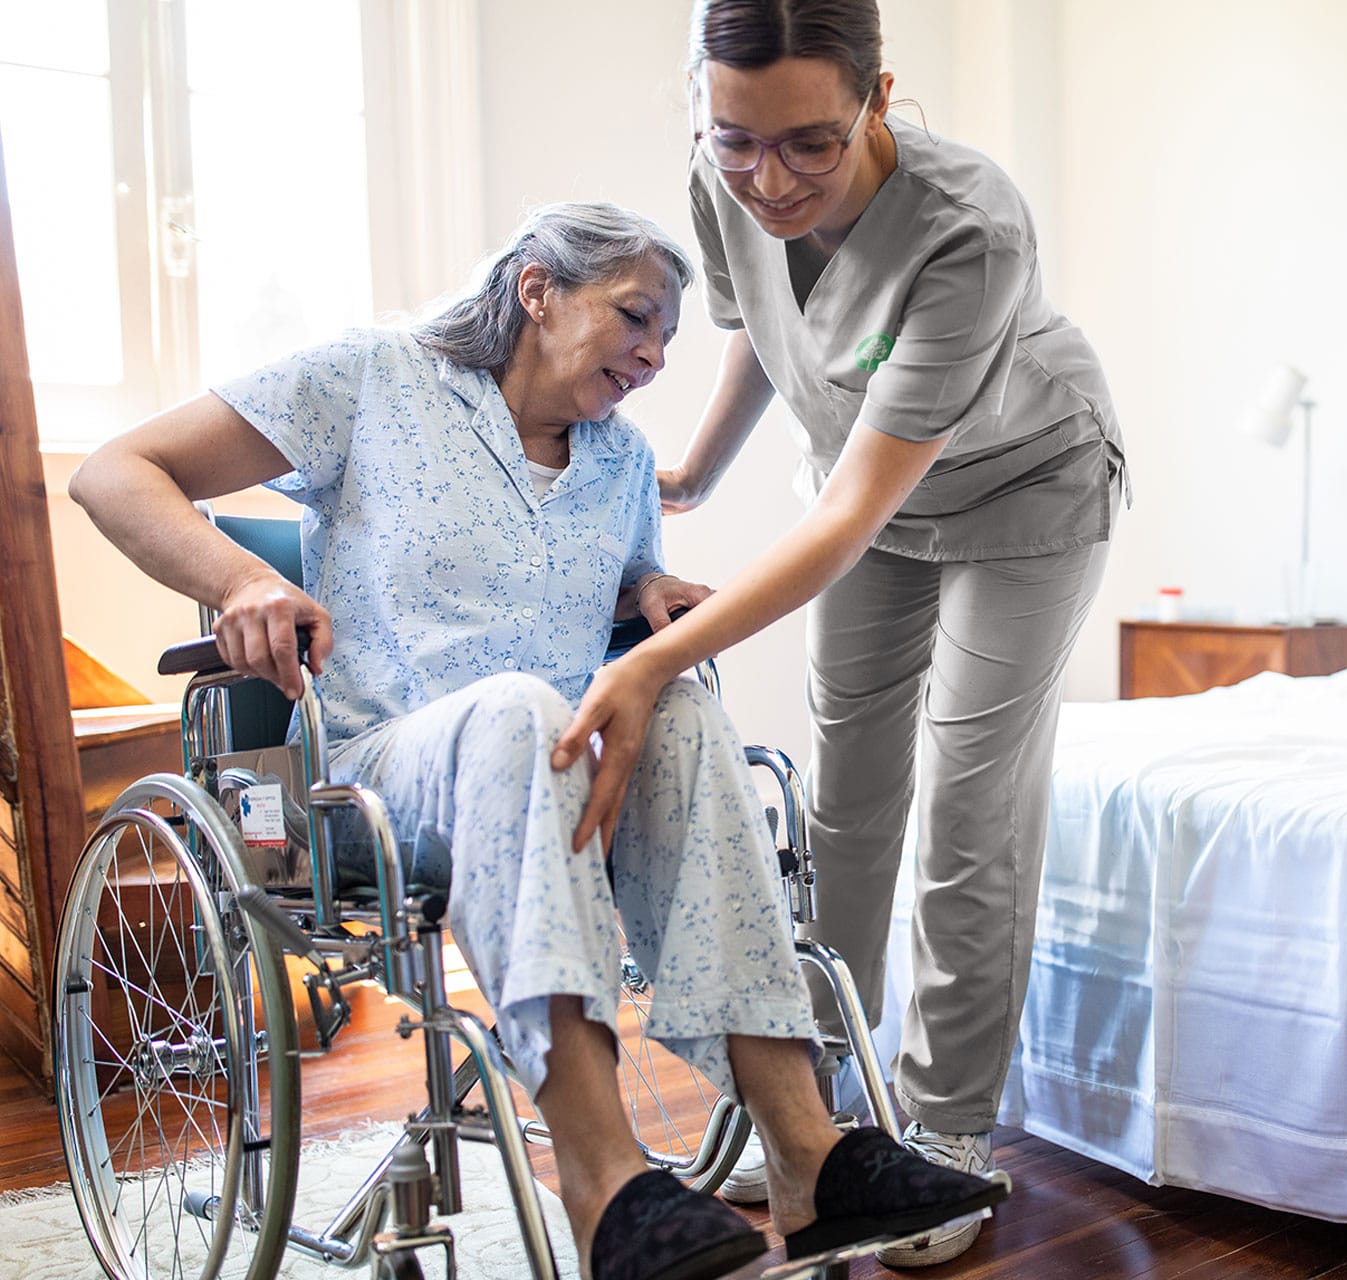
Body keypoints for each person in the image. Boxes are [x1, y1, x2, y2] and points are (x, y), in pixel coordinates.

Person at [66, 201, 1005, 1280]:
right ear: (537, 289)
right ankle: (606, 1184)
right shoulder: (375, 377)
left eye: (668, 338)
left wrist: (647, 589)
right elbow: (115, 470)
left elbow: (610, 594)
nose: (654, 355)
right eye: (636, 317)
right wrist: (242, 578)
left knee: (681, 701)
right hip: (385, 776)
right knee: (519, 705)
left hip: (565, 788)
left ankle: (809, 1155)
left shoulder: (619, 460)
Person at [556, 2, 1128, 1266]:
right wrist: (696, 467)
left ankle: (950, 1127)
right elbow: (776, 326)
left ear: (878, 99)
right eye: (738, 142)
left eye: (809, 145)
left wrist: (653, 660)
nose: (771, 179)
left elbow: (855, 512)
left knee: (970, 808)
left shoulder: (969, 227)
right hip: (868, 494)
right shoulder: (727, 174)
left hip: (1021, 494)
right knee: (844, 810)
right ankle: (818, 1120)